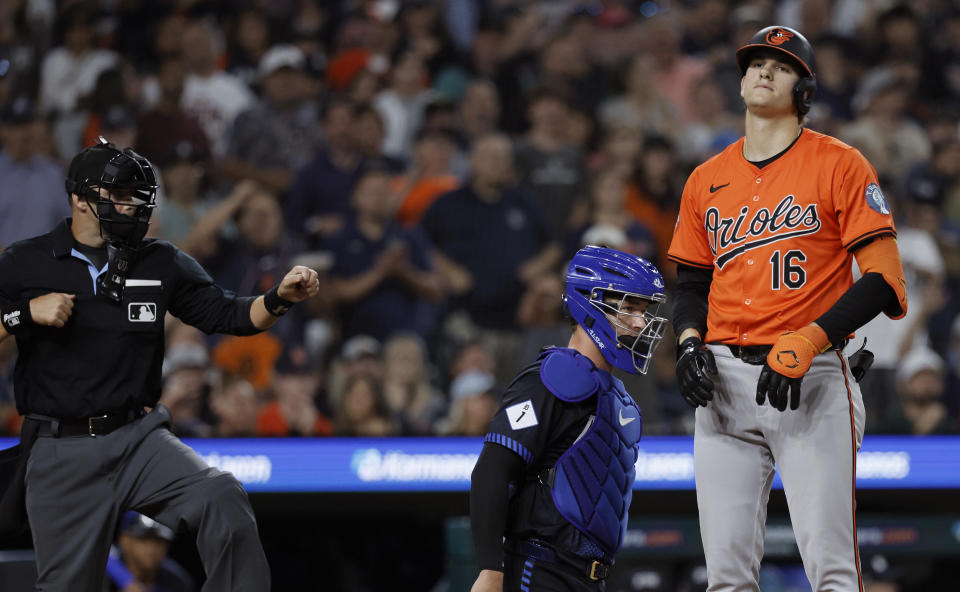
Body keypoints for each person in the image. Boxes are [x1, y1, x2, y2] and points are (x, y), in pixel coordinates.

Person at [0, 138, 320, 591]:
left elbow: (229, 314)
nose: (133, 206)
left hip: (139, 438)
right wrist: (25, 313)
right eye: (120, 194)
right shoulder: (26, 261)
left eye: (138, 196)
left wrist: (278, 299)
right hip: (62, 448)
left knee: (220, 495)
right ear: (80, 199)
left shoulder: (160, 260)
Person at [667, 26, 909, 591]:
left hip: (814, 376)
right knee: (724, 579)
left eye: (780, 64)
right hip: (723, 382)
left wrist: (810, 339)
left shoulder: (841, 164)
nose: (763, 71)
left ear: (805, 90)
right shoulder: (706, 177)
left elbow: (885, 280)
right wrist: (687, 344)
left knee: (831, 573)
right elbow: (689, 286)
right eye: (755, 63)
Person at [469, 245, 668, 591]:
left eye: (644, 311)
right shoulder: (554, 377)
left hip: (590, 578)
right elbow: (493, 470)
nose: (640, 323)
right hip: (540, 569)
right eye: (628, 308)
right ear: (589, 304)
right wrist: (490, 569)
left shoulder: (617, 397)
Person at [105, 511, 196, 592]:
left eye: (159, 541)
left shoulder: (177, 581)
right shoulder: (103, 576)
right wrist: (126, 581)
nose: (151, 548)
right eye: (144, 539)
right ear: (125, 540)